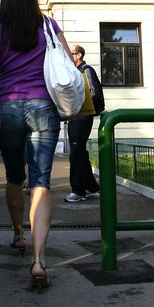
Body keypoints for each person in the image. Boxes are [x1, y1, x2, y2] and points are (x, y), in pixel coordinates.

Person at [0, 0, 74, 289]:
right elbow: (65, 58)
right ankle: (38, 260)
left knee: (13, 176)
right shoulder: (47, 24)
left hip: (7, 106)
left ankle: (19, 234)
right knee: (41, 181)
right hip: (44, 107)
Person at [65, 45, 103, 202]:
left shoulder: (85, 70)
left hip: (82, 118)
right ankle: (92, 188)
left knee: (76, 153)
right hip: (75, 117)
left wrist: (75, 103)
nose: (68, 56)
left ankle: (78, 191)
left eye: (71, 54)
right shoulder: (75, 71)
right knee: (80, 152)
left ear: (78, 55)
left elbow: (94, 94)